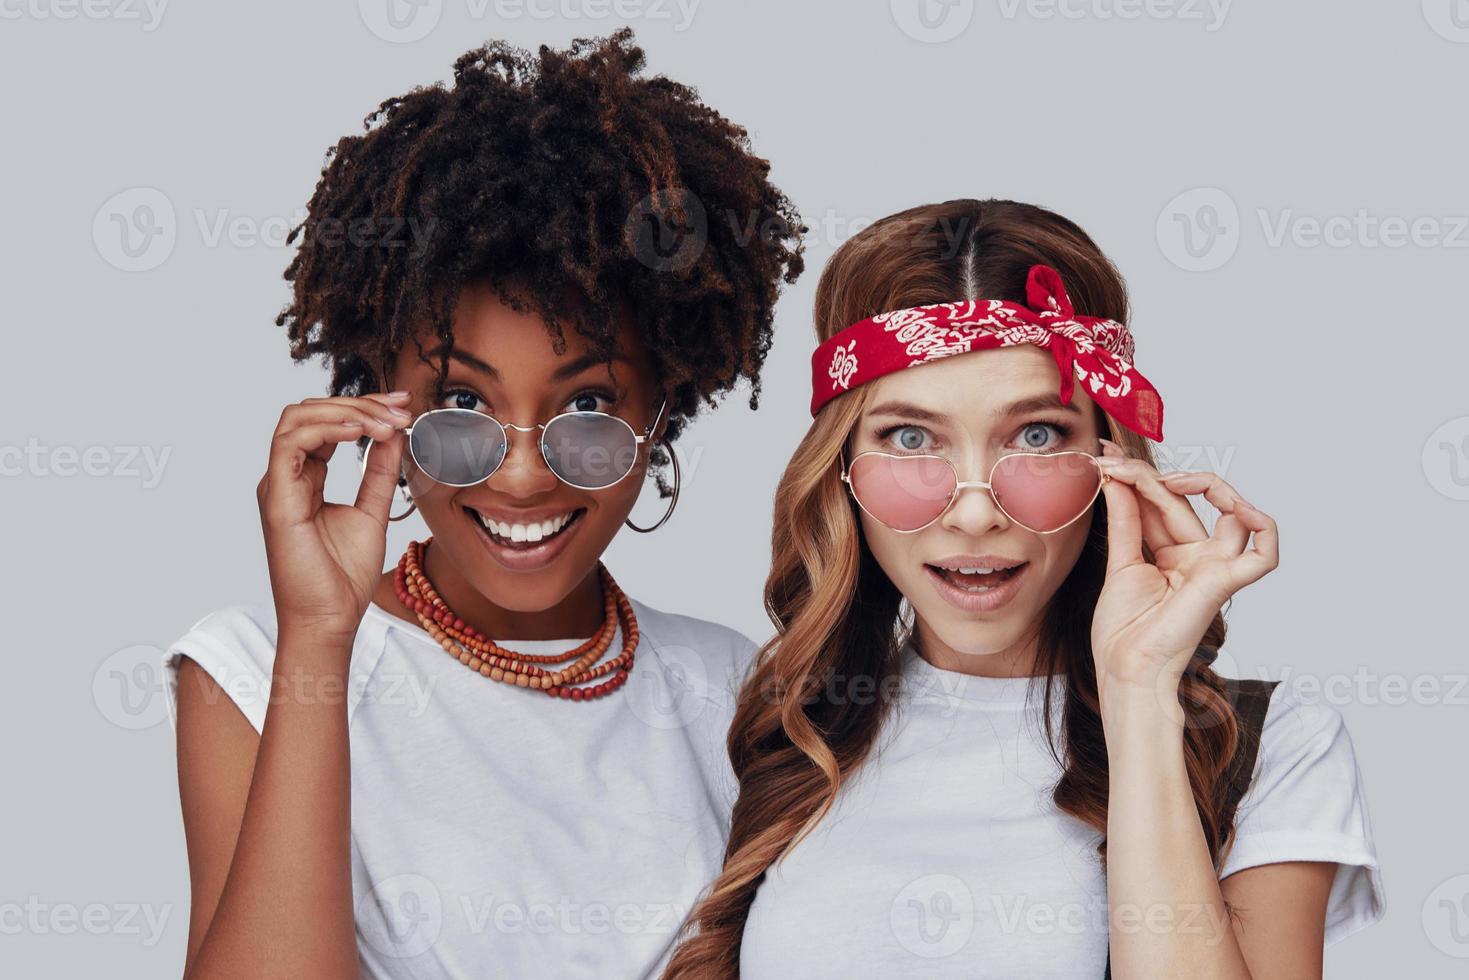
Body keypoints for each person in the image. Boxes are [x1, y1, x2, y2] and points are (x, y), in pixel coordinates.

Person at [161, 30, 802, 979]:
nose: (519, 475)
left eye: (587, 407)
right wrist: (319, 637)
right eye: (462, 404)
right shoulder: (251, 674)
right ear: (382, 399)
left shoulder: (737, 689)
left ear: (659, 416)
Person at [664, 199, 1383, 979]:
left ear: (1111, 459)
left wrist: (1139, 694)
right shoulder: (776, 732)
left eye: (1036, 436)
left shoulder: (1270, 745)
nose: (974, 511)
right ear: (841, 473)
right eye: (909, 439)